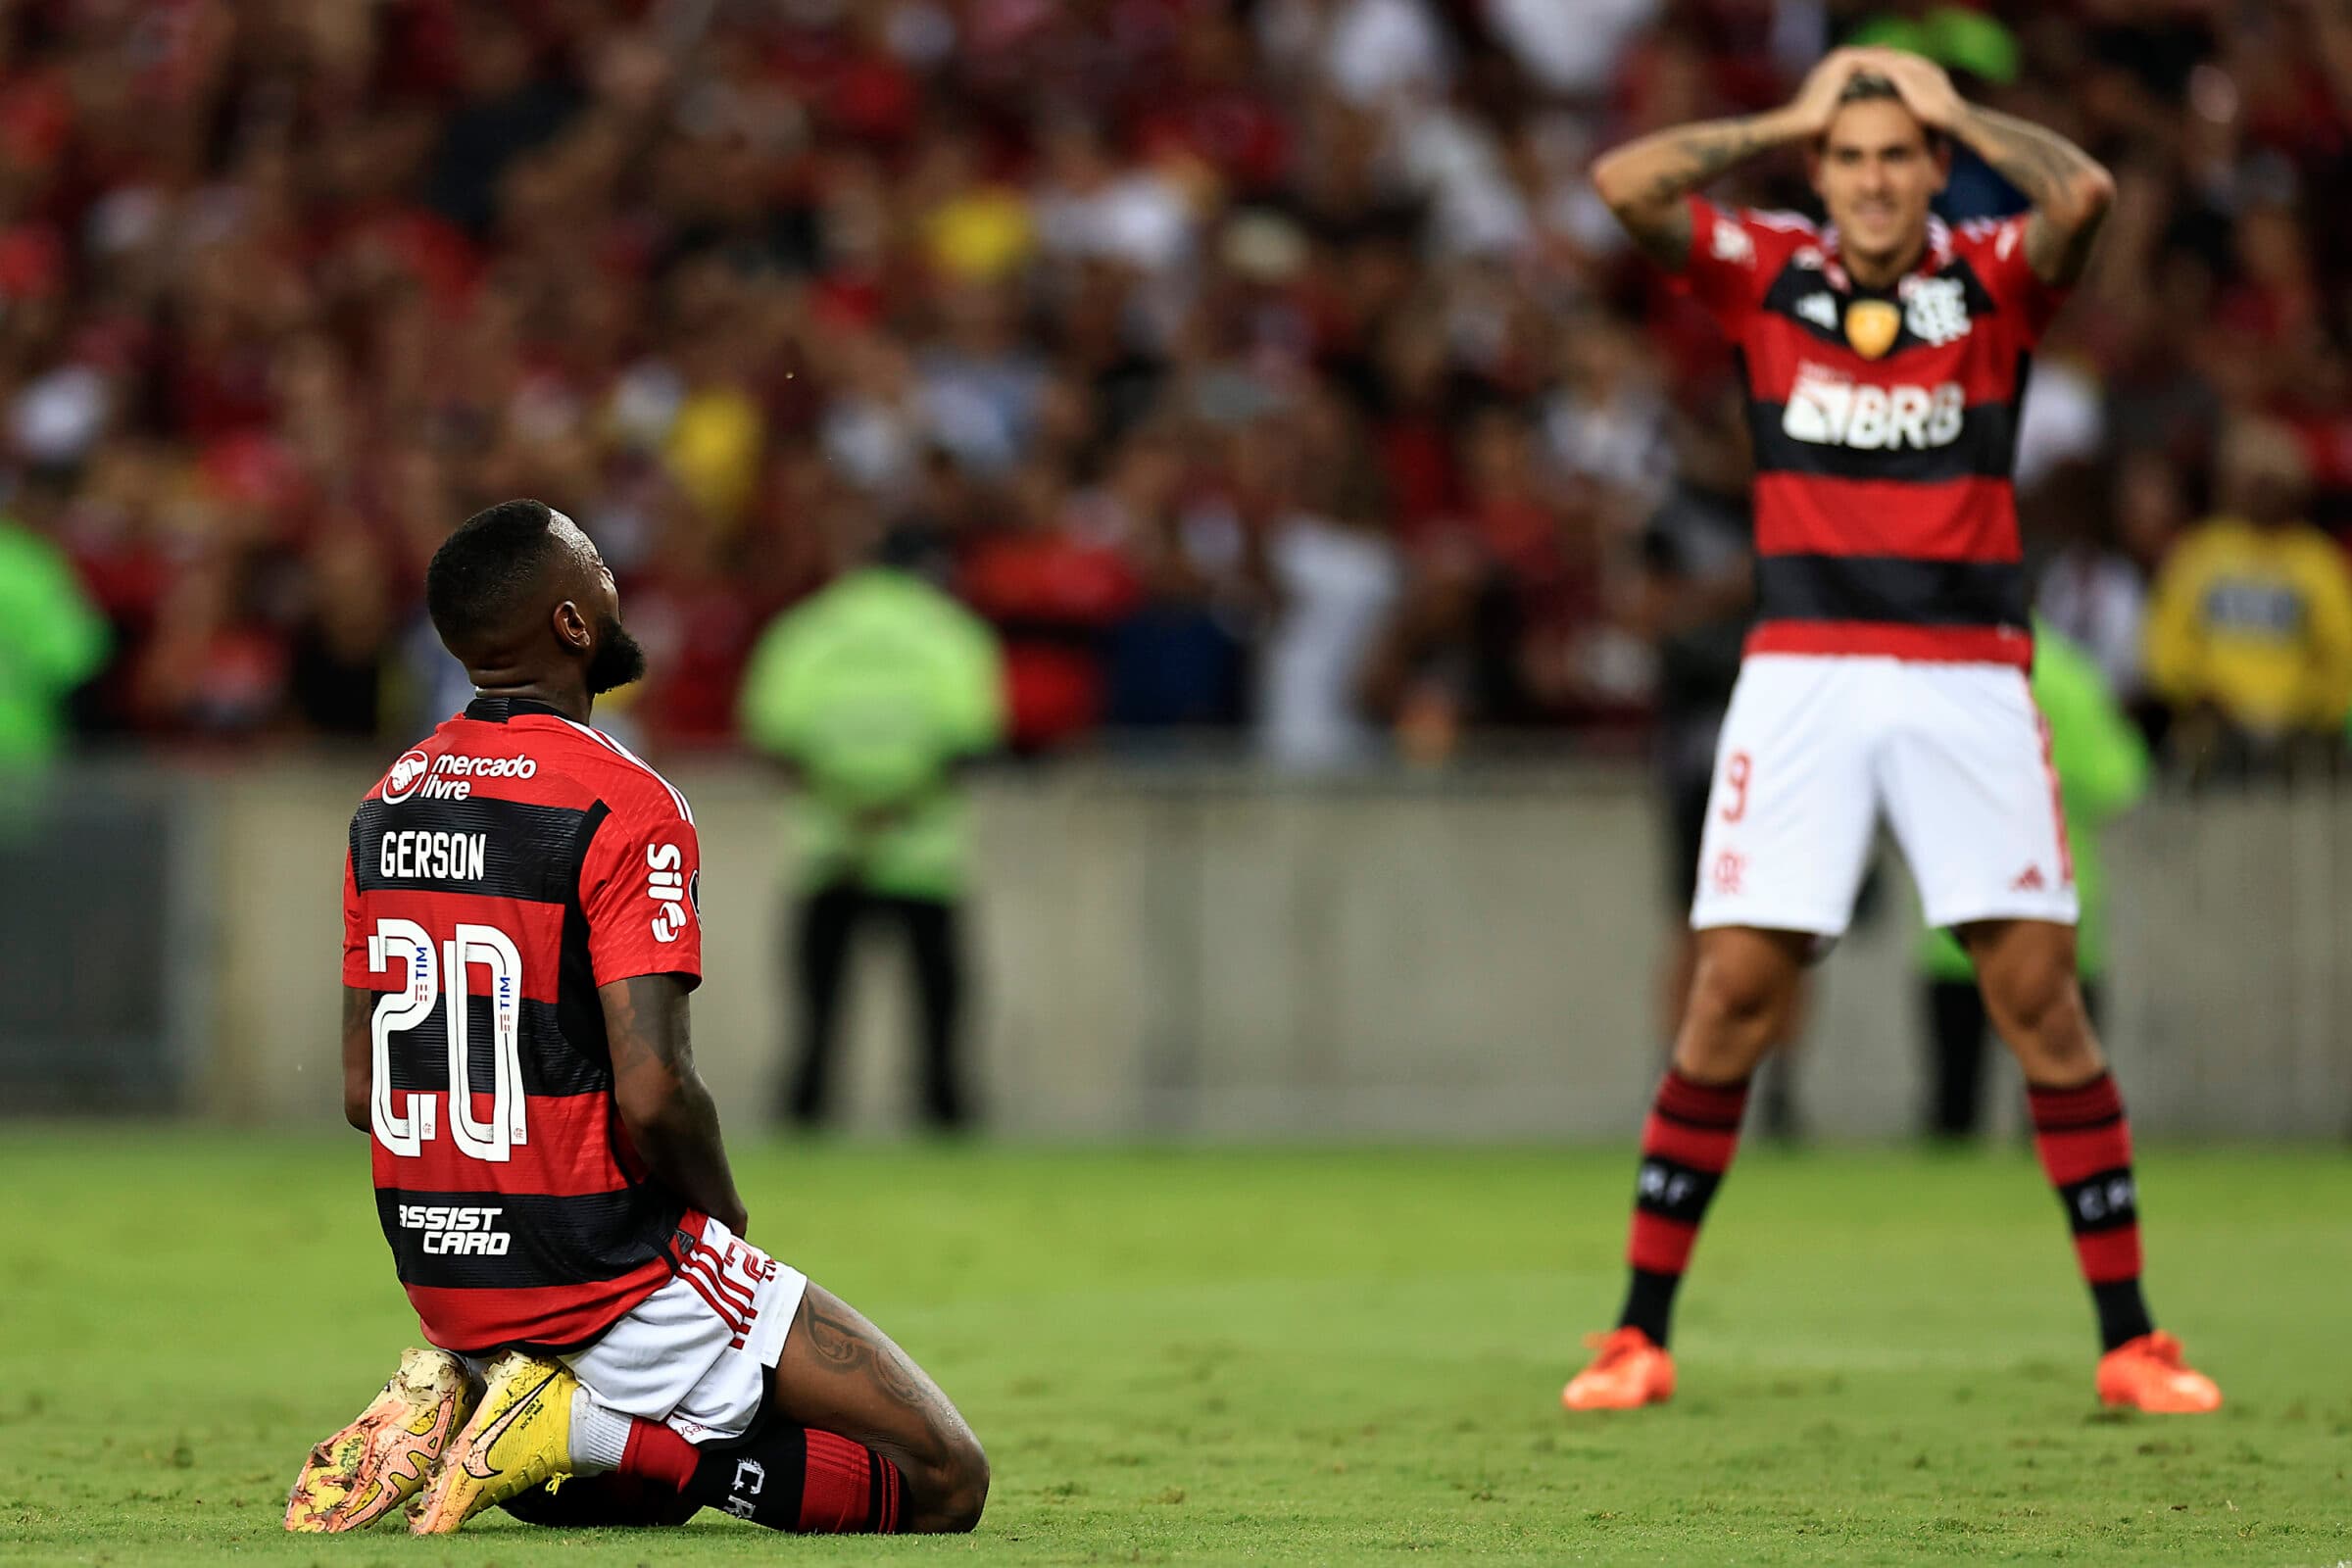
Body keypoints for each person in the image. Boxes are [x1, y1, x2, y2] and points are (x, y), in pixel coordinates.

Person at [1566, 47, 2220, 1414]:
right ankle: (1636, 1334)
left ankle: (2133, 1342)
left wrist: (1952, 105)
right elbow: (1621, 183)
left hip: (1966, 673)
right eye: (1850, 158)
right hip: (1804, 670)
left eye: (1896, 156)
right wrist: (1787, 111)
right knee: (1734, 994)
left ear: (1931, 171)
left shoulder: (1987, 273)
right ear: (1822, 173)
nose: (1872, 178)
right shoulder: (1768, 266)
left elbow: (2087, 193)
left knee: (2039, 999)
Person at [283, 500, 988, 1537]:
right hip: (600, 1264)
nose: (616, 586)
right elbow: (656, 1092)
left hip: (449, 1277)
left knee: (596, 1501)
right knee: (943, 1480)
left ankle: (482, 1391)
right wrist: (722, 1219)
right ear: (571, 624)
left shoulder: (385, 802)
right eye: (599, 569)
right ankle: (584, 1423)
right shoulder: (624, 801)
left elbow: (362, 1094)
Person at [737, 530, 1006, 1130]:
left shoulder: (805, 630)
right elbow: (972, 741)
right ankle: (945, 1123)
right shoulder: (950, 631)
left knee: (817, 1016)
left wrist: (847, 806)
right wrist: (895, 808)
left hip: (830, 846)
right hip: (924, 854)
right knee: (938, 1016)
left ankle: (806, 1124)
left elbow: (772, 739)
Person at [1918, 622, 2149, 1136]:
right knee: (2059, 1096)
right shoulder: (2069, 675)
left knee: (1954, 1106)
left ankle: (1947, 1214)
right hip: (2055, 907)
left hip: (1954, 918)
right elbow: (2120, 782)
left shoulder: (1936, 671)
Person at [2142, 416, 2352, 782]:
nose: (2264, 492)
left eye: (2275, 480)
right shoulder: (2200, 552)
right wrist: (2200, 693)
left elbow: (2342, 655)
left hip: (2300, 743)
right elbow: (2165, 646)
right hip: (2212, 733)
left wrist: (2308, 709)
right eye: (2254, 480)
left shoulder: (2317, 560)